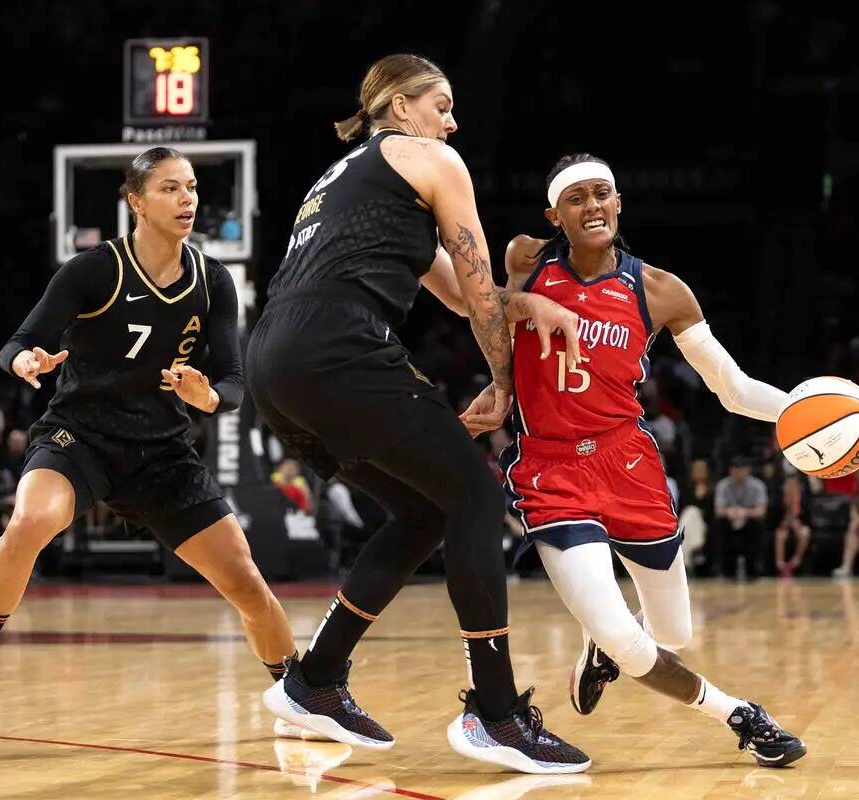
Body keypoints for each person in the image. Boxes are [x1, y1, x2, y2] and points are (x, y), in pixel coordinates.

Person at [247, 54, 589, 773]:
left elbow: (472, 298)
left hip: (274, 362)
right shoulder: (432, 158)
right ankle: (495, 713)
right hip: (335, 348)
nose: (452, 120)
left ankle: (313, 682)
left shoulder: (345, 179)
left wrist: (520, 300)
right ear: (401, 106)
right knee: (474, 494)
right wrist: (504, 380)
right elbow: (478, 290)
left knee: (425, 513)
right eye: (441, 104)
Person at [0, 147, 299, 725]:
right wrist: (26, 362)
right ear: (136, 201)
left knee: (247, 582)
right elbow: (16, 342)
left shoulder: (213, 281)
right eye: (170, 189)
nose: (187, 199)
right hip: (82, 435)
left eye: (192, 188)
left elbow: (234, 382)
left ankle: (300, 693)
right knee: (30, 519)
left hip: (162, 452)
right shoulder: (93, 269)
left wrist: (208, 396)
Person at [500, 153, 806, 767]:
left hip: (628, 464)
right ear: (554, 213)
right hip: (551, 469)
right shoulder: (525, 260)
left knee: (671, 634)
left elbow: (734, 389)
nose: (591, 206)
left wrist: (807, 410)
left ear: (618, 203)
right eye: (577, 197)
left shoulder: (660, 291)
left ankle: (597, 650)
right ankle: (739, 714)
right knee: (625, 636)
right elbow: (493, 316)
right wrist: (502, 384)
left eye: (601, 194)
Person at [712, 457, 769, 579]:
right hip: (730, 520)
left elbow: (761, 510)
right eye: (735, 469)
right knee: (720, 524)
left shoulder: (758, 486)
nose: (738, 473)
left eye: (741, 469)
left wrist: (744, 513)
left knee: (758, 524)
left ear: (748, 470)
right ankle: (726, 570)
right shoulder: (723, 485)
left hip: (749, 520)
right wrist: (730, 512)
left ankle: (754, 569)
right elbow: (718, 510)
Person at [773, 474, 812, 578]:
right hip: (784, 527)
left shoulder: (804, 500)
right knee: (780, 535)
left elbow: (808, 518)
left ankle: (795, 561)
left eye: (794, 485)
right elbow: (774, 518)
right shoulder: (779, 499)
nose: (791, 487)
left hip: (799, 526)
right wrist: (785, 522)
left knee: (805, 533)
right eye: (788, 485)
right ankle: (780, 565)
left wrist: (798, 522)